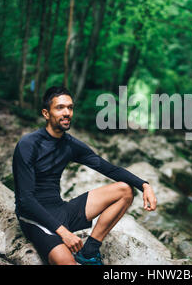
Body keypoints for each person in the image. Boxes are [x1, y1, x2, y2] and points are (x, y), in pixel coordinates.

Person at [12, 86, 157, 265]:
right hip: (35, 218)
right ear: (46, 113)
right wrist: (64, 232)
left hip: (61, 210)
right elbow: (25, 200)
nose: (67, 113)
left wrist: (144, 185)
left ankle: (89, 251)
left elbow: (109, 169)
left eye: (70, 107)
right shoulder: (28, 144)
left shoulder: (71, 145)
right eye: (60, 108)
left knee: (125, 191)